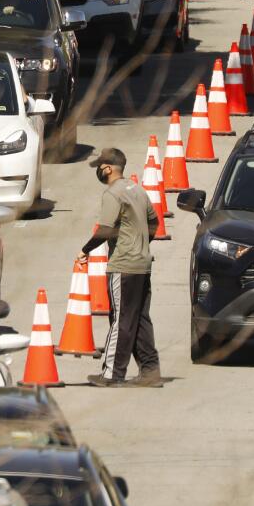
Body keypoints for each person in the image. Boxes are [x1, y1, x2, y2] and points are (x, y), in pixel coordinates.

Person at [77, 148, 162, 387]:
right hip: (142, 264)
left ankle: (112, 373)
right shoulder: (137, 190)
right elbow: (154, 222)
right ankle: (150, 371)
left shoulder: (113, 194)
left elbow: (105, 229)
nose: (99, 172)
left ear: (108, 168)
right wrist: (141, 244)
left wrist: (85, 250)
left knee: (121, 319)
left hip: (123, 265)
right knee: (140, 319)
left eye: (99, 168)